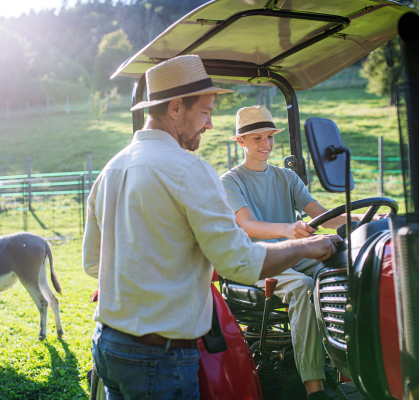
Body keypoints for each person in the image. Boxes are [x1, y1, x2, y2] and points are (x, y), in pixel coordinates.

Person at [82, 55, 341, 400]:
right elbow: (240, 262)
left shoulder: (109, 171)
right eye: (204, 112)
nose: (210, 124)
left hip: (108, 344)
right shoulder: (190, 171)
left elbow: (93, 264)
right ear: (176, 108)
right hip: (161, 354)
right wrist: (308, 246)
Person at [220, 105, 385, 399]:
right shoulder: (230, 181)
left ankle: (358, 369)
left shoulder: (286, 178)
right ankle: (314, 387)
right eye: (257, 138)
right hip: (257, 260)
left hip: (294, 253)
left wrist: (361, 219)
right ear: (241, 142)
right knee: (302, 285)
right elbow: (247, 225)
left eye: (269, 137)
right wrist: (288, 230)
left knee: (346, 270)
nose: (266, 144)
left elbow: (322, 214)